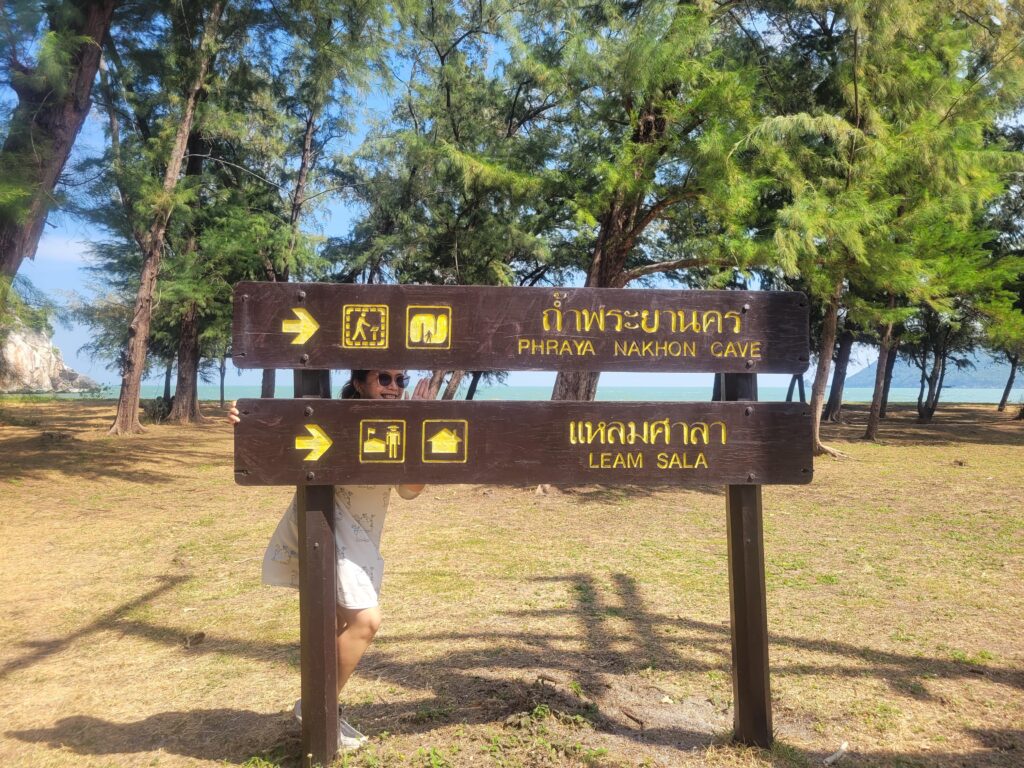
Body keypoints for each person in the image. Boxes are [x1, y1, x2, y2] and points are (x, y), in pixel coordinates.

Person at [228, 369, 430, 750]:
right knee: (365, 621)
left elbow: (411, 490)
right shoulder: (330, 417)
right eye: (383, 378)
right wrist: (246, 419)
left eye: (400, 381)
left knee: (340, 625)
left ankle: (325, 711)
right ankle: (316, 707)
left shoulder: (401, 427)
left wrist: (418, 425)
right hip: (325, 526)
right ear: (359, 382)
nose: (393, 388)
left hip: (363, 538)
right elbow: (279, 436)